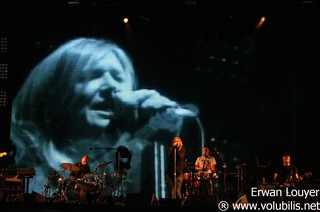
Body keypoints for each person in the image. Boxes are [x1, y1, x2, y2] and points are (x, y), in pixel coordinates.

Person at [10, 37, 198, 198]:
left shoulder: (120, 152)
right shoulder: (33, 161)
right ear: (54, 90)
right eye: (94, 75)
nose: (111, 87)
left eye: (118, 78)